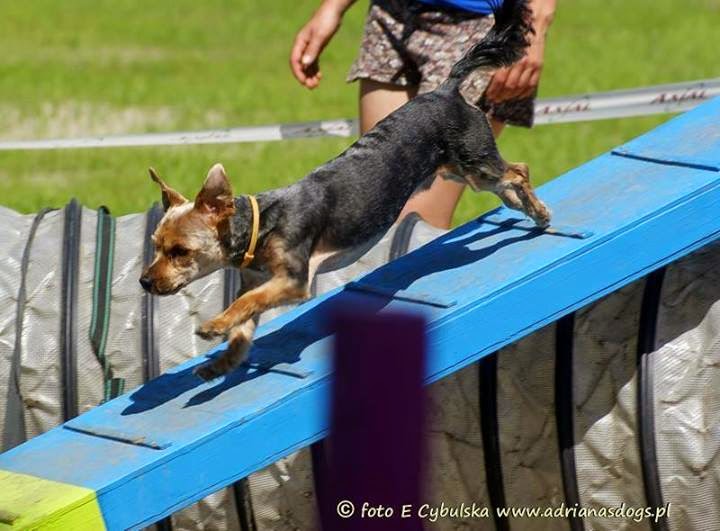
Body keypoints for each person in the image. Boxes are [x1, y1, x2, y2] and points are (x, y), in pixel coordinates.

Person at [290, 0, 556, 229]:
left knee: (412, 225)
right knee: (375, 206)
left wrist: (534, 23)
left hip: (480, 21)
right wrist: (333, 7)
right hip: (391, 15)